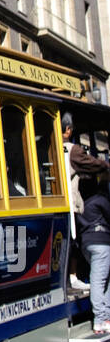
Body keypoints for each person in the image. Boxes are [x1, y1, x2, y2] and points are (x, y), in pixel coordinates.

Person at [62, 114, 105, 294]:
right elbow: (91, 165)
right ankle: (73, 277)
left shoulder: (46, 145)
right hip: (71, 204)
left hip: (60, 202)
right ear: (69, 130)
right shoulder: (72, 149)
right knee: (74, 241)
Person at [76, 173, 110, 336]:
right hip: (102, 244)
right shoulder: (100, 200)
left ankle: (105, 316)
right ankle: (101, 320)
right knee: (99, 279)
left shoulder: (79, 203)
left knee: (101, 277)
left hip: (86, 244)